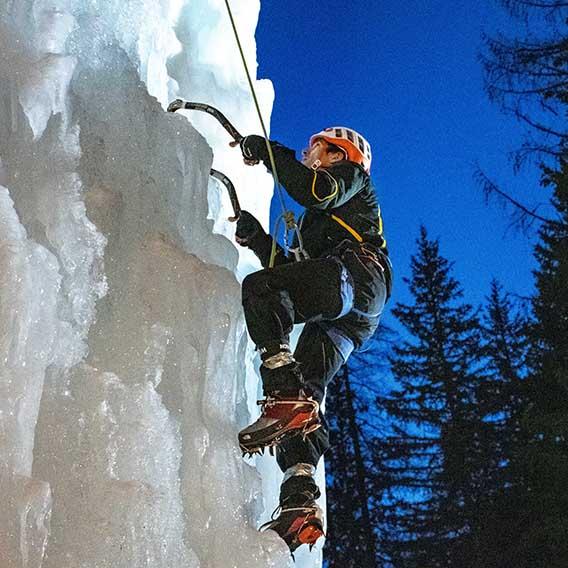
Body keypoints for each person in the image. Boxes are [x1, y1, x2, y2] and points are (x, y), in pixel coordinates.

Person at [233, 126, 392, 552]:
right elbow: (293, 270)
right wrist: (258, 239)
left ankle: (282, 392)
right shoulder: (317, 219)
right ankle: (299, 500)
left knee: (260, 290)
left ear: (341, 152)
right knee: (307, 396)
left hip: (357, 276)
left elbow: (315, 190)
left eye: (315, 148)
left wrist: (270, 152)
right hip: (350, 315)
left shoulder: (353, 179)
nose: (308, 153)